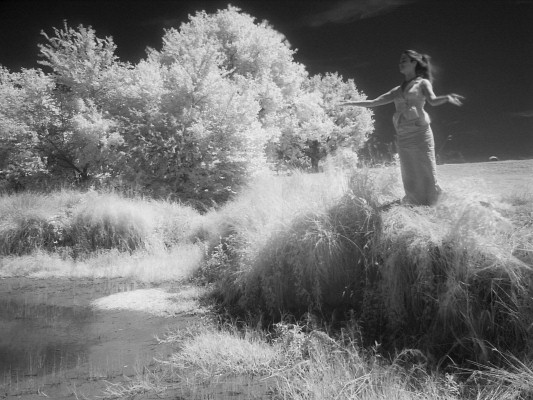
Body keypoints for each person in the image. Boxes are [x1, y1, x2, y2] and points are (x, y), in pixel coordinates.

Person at [339, 50, 464, 206]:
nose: (401, 63)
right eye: (400, 61)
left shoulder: (422, 83)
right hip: (404, 136)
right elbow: (373, 102)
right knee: (409, 173)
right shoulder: (397, 90)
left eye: (404, 60)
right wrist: (349, 103)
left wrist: (446, 97)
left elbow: (432, 100)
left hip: (420, 133)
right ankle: (415, 204)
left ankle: (436, 203)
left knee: (427, 171)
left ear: (414, 63)